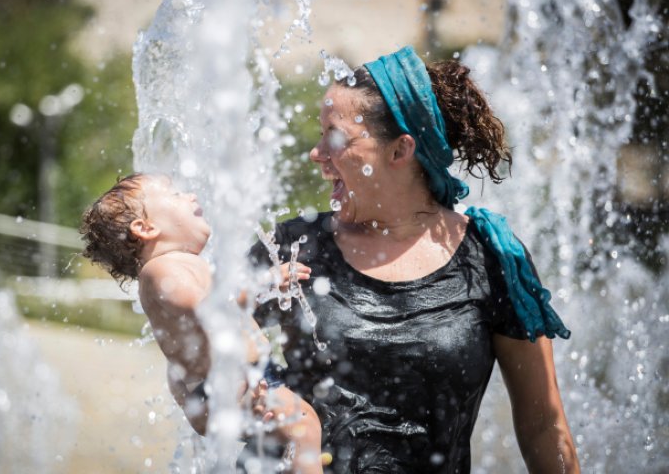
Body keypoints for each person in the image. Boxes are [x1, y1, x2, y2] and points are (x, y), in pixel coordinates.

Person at [250, 46, 579, 473]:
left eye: (334, 137)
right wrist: (266, 405)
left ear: (400, 150)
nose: (317, 153)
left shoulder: (491, 257)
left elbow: (543, 425)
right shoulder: (292, 246)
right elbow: (201, 353)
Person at [79, 173, 323, 473]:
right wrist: (263, 283)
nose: (190, 196)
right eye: (175, 195)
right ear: (145, 228)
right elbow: (209, 309)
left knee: (284, 441)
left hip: (239, 382)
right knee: (305, 427)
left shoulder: (184, 264)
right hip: (229, 388)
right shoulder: (160, 270)